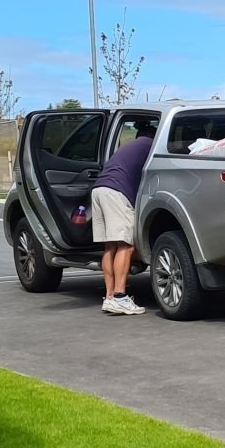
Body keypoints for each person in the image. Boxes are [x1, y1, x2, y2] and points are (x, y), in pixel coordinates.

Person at [90, 119, 156, 316]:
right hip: (117, 192)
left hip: (99, 189)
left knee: (110, 246)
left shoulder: (130, 147)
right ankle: (120, 297)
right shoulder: (151, 146)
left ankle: (110, 297)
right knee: (126, 246)